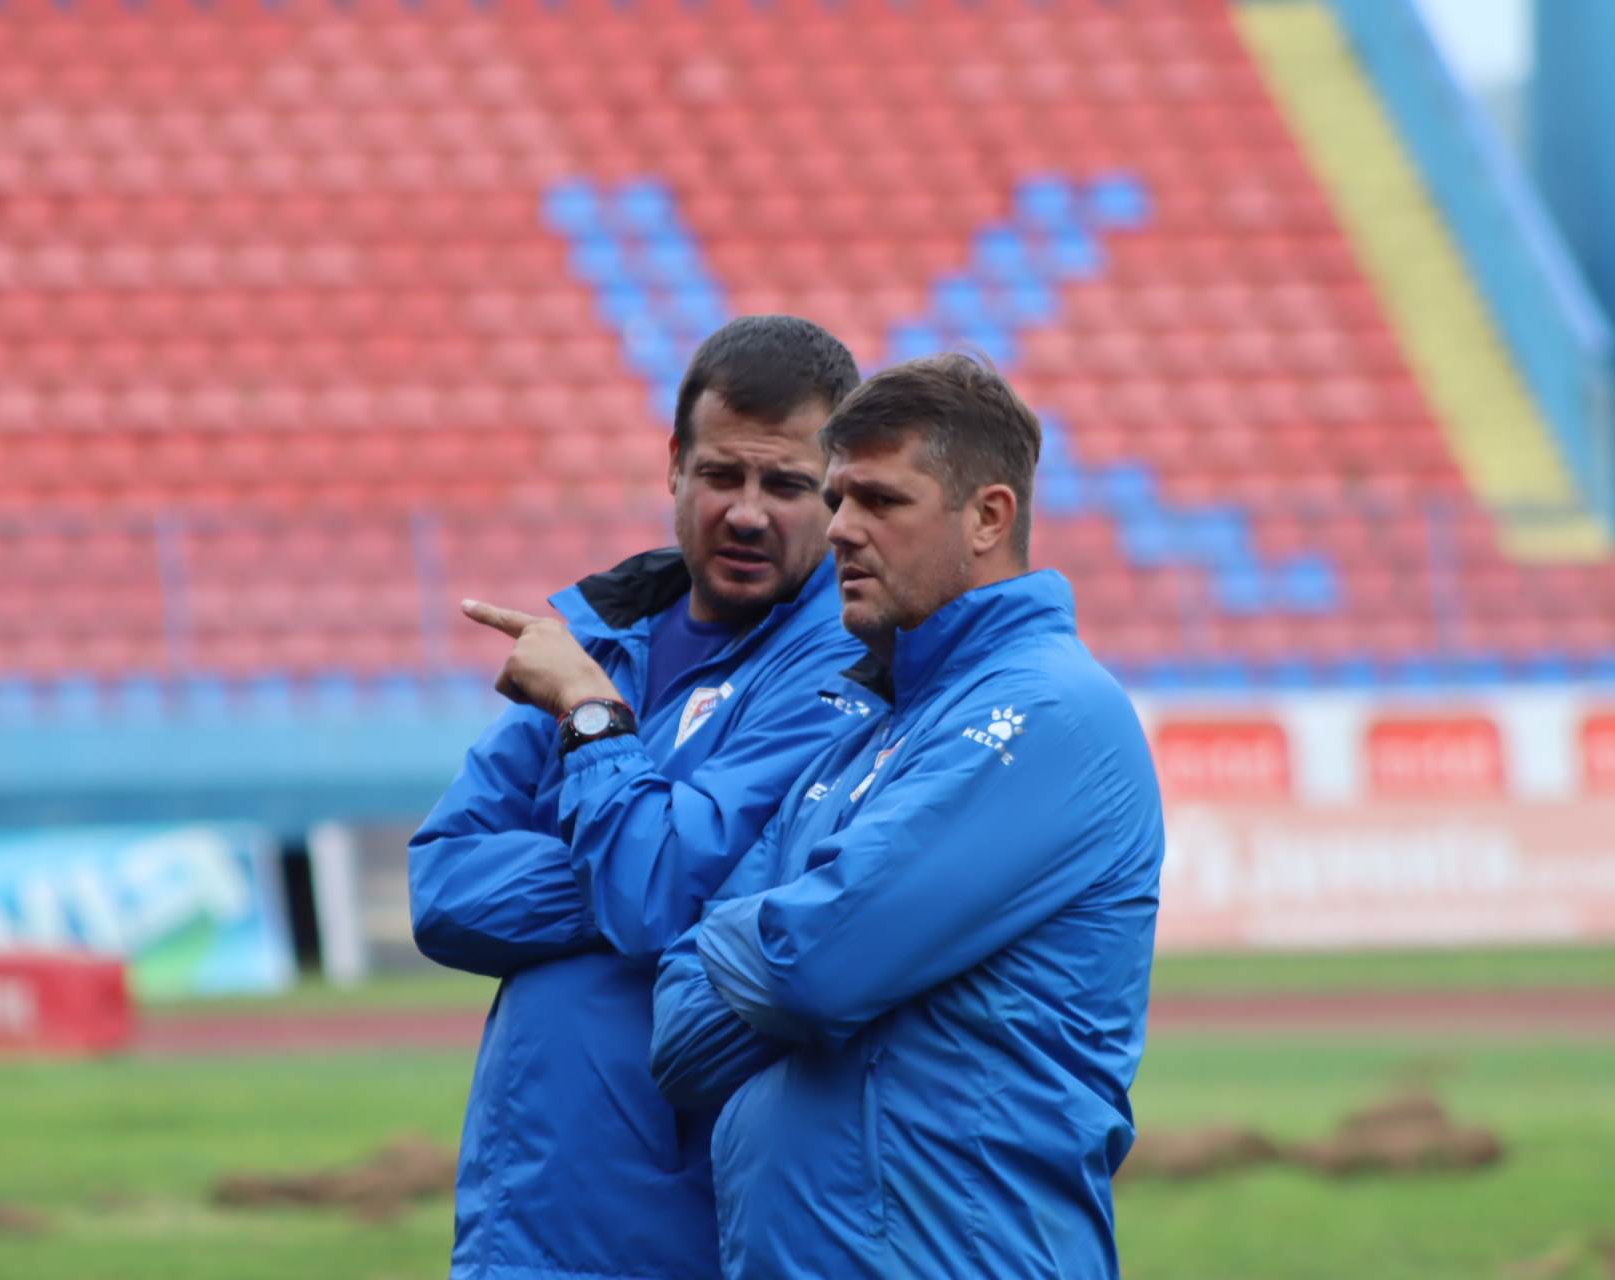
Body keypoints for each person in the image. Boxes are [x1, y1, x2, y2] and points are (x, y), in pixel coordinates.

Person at [650, 352, 1166, 1279]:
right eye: (839, 498)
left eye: (881, 502)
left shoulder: (1049, 713)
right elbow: (681, 1039)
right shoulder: (868, 729)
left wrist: (773, 944)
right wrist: (788, 950)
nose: (841, 530)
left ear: (988, 517)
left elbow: (812, 965)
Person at [409, 315, 870, 1280]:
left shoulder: (841, 663)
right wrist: (655, 858)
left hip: (678, 1222)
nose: (747, 512)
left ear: (835, 493)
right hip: (519, 1213)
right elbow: (444, 887)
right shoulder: (603, 630)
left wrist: (587, 716)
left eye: (785, 485)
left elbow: (655, 887)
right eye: (722, 476)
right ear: (674, 465)